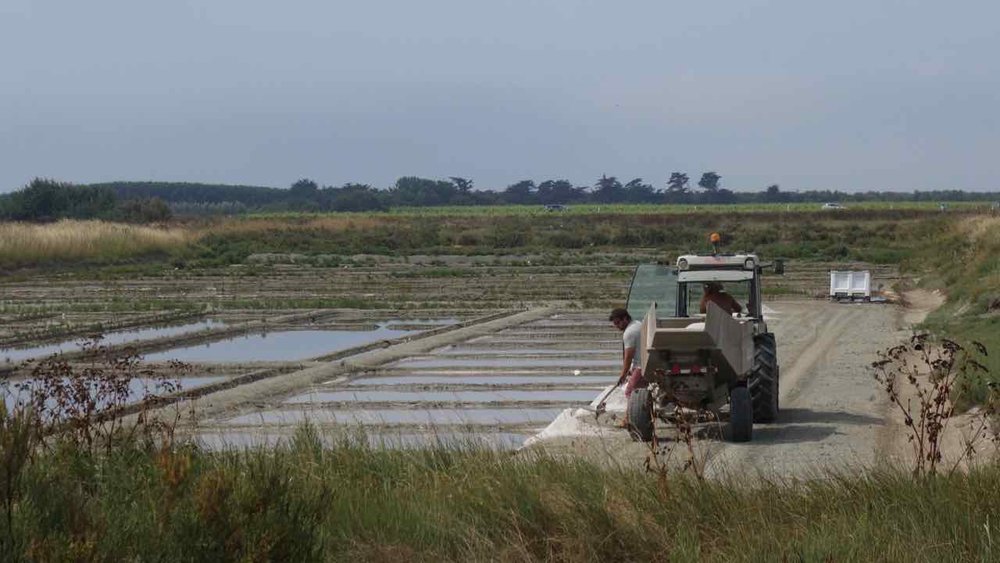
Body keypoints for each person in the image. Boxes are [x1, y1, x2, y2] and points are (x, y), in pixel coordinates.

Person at [609, 308, 646, 401]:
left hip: (641, 366)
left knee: (630, 392)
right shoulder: (637, 323)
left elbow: (628, 357)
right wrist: (629, 370)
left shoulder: (629, 333)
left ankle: (632, 415)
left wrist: (623, 375)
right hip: (646, 363)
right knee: (641, 389)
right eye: (615, 324)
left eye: (618, 323)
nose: (616, 326)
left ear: (625, 318)